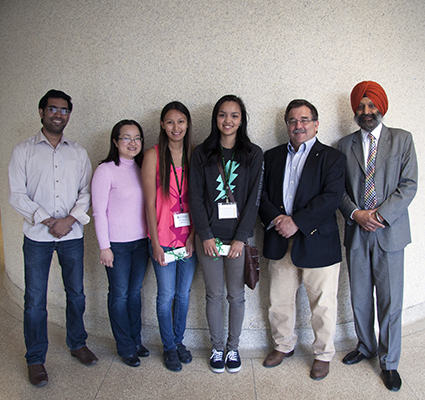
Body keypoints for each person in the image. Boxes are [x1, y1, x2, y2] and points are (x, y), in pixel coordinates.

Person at [8, 89, 97, 388]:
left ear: (69, 115)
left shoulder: (79, 152)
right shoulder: (23, 151)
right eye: (52, 109)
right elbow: (17, 195)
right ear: (41, 112)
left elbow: (87, 192)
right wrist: (49, 221)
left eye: (64, 110)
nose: (58, 114)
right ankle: (35, 358)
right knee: (34, 300)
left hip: (71, 235)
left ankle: (77, 343)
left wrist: (69, 220)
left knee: (77, 294)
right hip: (37, 237)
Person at [338, 81, 417, 392]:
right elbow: (339, 190)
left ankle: (390, 362)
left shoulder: (402, 140)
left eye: (371, 106)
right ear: (355, 110)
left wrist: (380, 215)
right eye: (361, 106)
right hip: (357, 231)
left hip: (390, 232)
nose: (366, 111)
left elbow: (409, 185)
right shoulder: (344, 145)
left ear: (382, 107)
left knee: (390, 300)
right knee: (359, 297)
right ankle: (366, 346)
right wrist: (356, 214)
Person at [259, 99, 346, 380]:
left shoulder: (333, 158)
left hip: (318, 242)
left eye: (304, 120)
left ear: (316, 124)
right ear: (287, 125)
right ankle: (283, 345)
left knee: (323, 304)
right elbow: (261, 196)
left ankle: (323, 354)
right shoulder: (270, 157)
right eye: (293, 121)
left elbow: (330, 198)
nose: (298, 125)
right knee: (279, 301)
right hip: (279, 240)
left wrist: (296, 222)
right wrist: (278, 220)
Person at [189, 95, 264, 374]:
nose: (228, 120)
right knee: (213, 295)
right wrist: (205, 235)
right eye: (222, 115)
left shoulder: (253, 153)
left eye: (234, 115)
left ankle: (234, 348)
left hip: (238, 240)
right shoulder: (202, 152)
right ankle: (217, 347)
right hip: (209, 238)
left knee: (236, 295)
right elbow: (195, 196)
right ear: (215, 118)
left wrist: (241, 238)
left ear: (241, 119)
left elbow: (255, 197)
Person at [142, 101, 197, 372]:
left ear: (188, 124)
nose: (176, 127)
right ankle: (168, 346)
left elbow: (200, 201)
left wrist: (193, 237)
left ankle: (178, 341)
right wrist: (154, 242)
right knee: (166, 295)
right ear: (163, 125)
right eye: (170, 122)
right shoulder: (153, 155)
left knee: (183, 295)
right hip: (163, 237)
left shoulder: (194, 154)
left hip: (188, 238)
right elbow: (149, 204)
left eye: (181, 121)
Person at [91, 120, 150, 368]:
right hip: (116, 245)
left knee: (134, 294)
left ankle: (136, 341)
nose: (133, 143)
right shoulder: (105, 171)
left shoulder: (142, 168)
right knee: (119, 296)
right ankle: (125, 346)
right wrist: (104, 246)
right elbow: (98, 212)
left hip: (141, 243)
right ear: (115, 142)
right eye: (126, 138)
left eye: (137, 138)